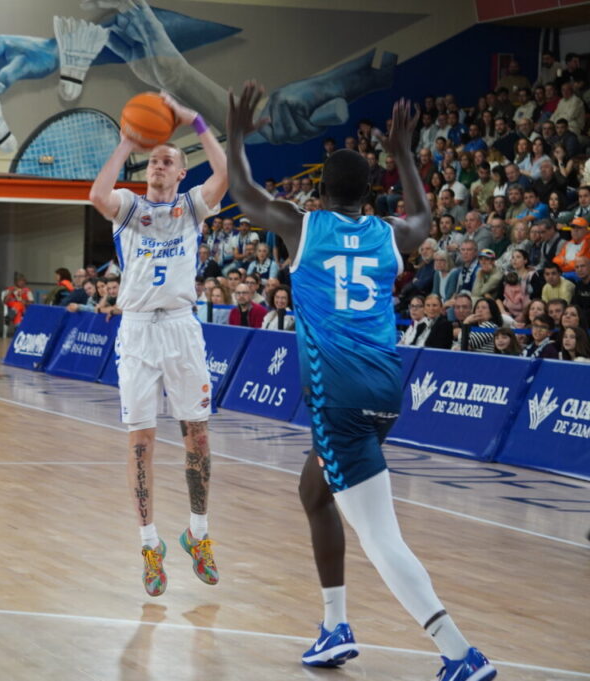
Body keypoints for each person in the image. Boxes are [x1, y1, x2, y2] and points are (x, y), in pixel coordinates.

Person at [227, 88, 494, 679]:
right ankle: (334, 625)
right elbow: (424, 218)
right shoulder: (389, 234)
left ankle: (458, 651)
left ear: (320, 192)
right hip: (384, 393)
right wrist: (404, 152)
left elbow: (243, 193)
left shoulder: (303, 227)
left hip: (336, 399)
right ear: (371, 193)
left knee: (379, 535)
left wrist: (238, 134)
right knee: (314, 492)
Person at [89, 90, 227, 597]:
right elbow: (97, 196)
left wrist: (195, 123)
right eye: (153, 161)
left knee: (199, 435)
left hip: (182, 329)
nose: (158, 166)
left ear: (181, 172)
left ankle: (199, 534)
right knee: (141, 440)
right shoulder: (129, 207)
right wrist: (127, 144)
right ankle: (150, 545)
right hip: (138, 330)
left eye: (167, 160)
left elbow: (226, 174)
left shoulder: (192, 208)